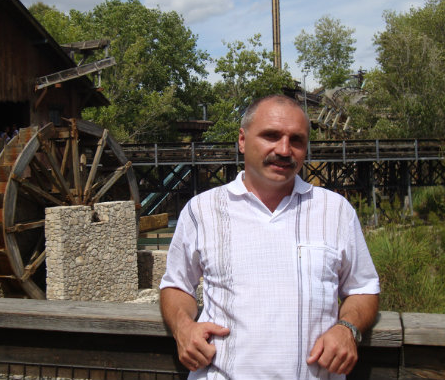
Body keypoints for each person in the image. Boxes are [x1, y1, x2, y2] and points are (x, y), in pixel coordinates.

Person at [160, 94, 380, 379]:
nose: (284, 150)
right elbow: (176, 286)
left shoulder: (336, 211)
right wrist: (183, 327)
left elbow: (363, 288)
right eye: (271, 136)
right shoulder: (201, 210)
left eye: (296, 140)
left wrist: (347, 328)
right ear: (242, 140)